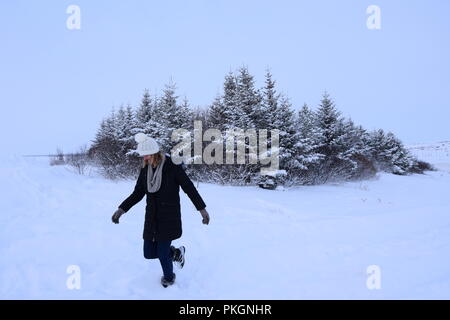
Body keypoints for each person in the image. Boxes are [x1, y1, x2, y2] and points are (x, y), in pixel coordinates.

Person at [111, 133, 210, 288]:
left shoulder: (173, 167)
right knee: (148, 253)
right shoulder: (145, 170)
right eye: (143, 156)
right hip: (151, 217)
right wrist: (121, 209)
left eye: (147, 155)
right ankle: (176, 253)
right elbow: (138, 193)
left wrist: (202, 210)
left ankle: (169, 278)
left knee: (163, 253)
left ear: (155, 153)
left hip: (169, 218)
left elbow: (189, 189)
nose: (144, 159)